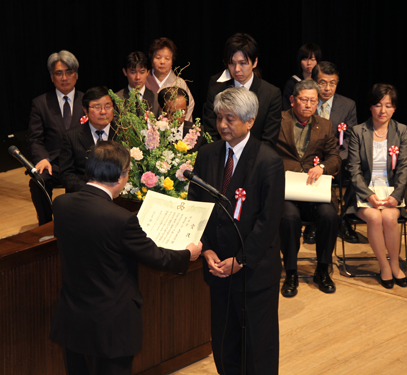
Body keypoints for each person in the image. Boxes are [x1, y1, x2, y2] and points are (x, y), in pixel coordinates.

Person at [49, 140, 202, 375]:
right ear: (121, 176)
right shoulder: (121, 219)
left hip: (74, 318)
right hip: (111, 325)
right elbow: (157, 257)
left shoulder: (61, 204)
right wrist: (187, 254)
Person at [188, 87, 285, 375]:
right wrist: (205, 247)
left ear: (250, 121)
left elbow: (269, 221)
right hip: (216, 266)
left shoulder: (268, 161)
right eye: (219, 118)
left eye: (230, 119)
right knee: (224, 341)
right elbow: (196, 204)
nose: (222, 125)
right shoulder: (207, 154)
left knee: (258, 345)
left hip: (253, 271)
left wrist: (241, 259)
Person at [276, 80, 341, 298]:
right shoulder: (278, 120)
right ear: (293, 100)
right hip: (287, 190)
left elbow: (335, 158)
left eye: (313, 101)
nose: (308, 105)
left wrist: (322, 167)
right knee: (288, 218)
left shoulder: (324, 124)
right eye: (304, 100)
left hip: (314, 190)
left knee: (330, 216)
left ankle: (322, 269)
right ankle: (291, 271)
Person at [345, 83, 407, 288]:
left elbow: (404, 168)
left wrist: (397, 195)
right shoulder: (358, 131)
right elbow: (353, 169)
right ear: (371, 106)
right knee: (374, 217)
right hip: (364, 191)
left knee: (390, 217)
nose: (383, 111)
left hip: (392, 191)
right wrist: (368, 195)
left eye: (389, 106)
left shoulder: (401, 130)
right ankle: (384, 267)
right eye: (379, 105)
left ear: (395, 108)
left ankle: (396, 265)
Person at [27, 50, 84, 225]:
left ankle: (78, 225)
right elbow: (35, 139)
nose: (64, 77)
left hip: (80, 164)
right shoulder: (40, 103)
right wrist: (43, 159)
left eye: (69, 72)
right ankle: (45, 226)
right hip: (54, 165)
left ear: (76, 75)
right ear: (52, 77)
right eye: (59, 73)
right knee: (38, 182)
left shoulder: (87, 101)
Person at [203, 33, 281, 148]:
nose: (237, 69)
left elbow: (269, 140)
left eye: (243, 63)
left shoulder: (271, 94)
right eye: (232, 63)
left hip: (256, 160)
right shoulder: (216, 91)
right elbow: (210, 134)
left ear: (255, 62)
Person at [312, 61, 360, 243]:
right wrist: (322, 165)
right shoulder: (308, 101)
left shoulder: (347, 105)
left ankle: (344, 216)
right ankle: (316, 221)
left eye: (332, 83)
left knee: (359, 170)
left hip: (340, 157)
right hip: (311, 159)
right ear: (314, 81)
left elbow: (350, 139)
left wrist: (334, 162)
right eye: (322, 82)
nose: (327, 88)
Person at [59, 86, 116, 192]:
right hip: (84, 194)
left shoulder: (124, 133)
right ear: (85, 110)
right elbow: (66, 174)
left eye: (108, 106)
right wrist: (91, 190)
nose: (103, 112)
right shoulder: (71, 136)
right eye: (97, 107)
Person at [145, 37, 195, 121]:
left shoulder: (179, 83)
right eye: (158, 57)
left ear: (172, 62)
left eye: (167, 58)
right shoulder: (144, 81)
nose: (162, 62)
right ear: (151, 60)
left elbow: (189, 106)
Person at [157, 86, 206, 153]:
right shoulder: (155, 134)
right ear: (162, 110)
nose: (178, 118)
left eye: (182, 112)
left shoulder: (199, 132)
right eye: (173, 113)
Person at [116, 51, 160, 118]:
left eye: (142, 72)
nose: (138, 77)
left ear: (148, 72)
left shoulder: (156, 99)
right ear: (125, 72)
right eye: (133, 72)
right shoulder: (117, 98)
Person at [282, 43, 322, 111]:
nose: (309, 63)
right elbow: (286, 107)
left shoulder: (321, 82)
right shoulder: (292, 83)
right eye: (305, 59)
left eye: (312, 60)